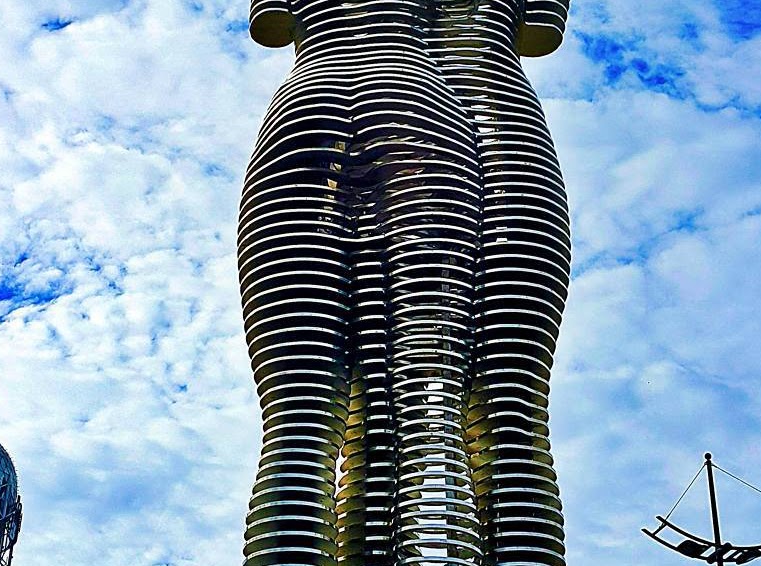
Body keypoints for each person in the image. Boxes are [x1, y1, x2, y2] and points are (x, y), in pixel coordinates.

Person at [238, 1, 569, 564]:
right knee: (496, 407)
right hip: (485, 105)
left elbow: (269, 22)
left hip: (315, 95)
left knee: (302, 416)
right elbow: (539, 30)